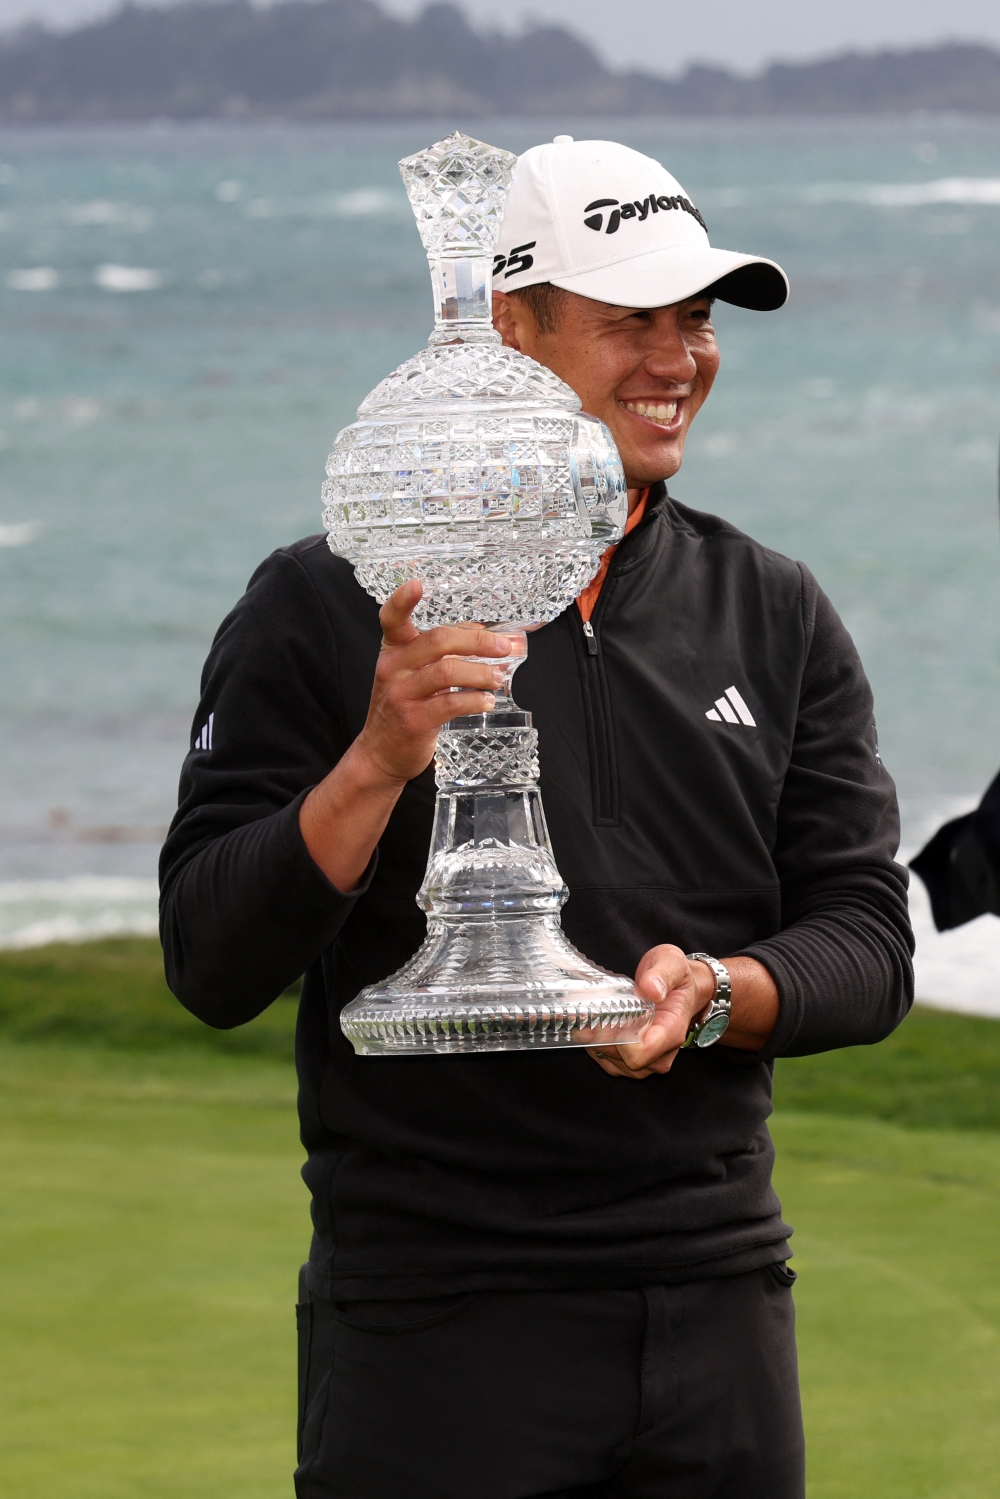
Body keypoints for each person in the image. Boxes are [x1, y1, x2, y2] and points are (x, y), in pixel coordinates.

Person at [159, 138, 914, 1499]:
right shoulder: (325, 602)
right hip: (436, 1316)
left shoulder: (771, 606)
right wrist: (377, 759)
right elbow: (211, 960)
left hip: (719, 1297)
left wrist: (716, 995)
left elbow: (866, 940)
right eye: (633, 320)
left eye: (697, 318)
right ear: (509, 326)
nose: (679, 359)